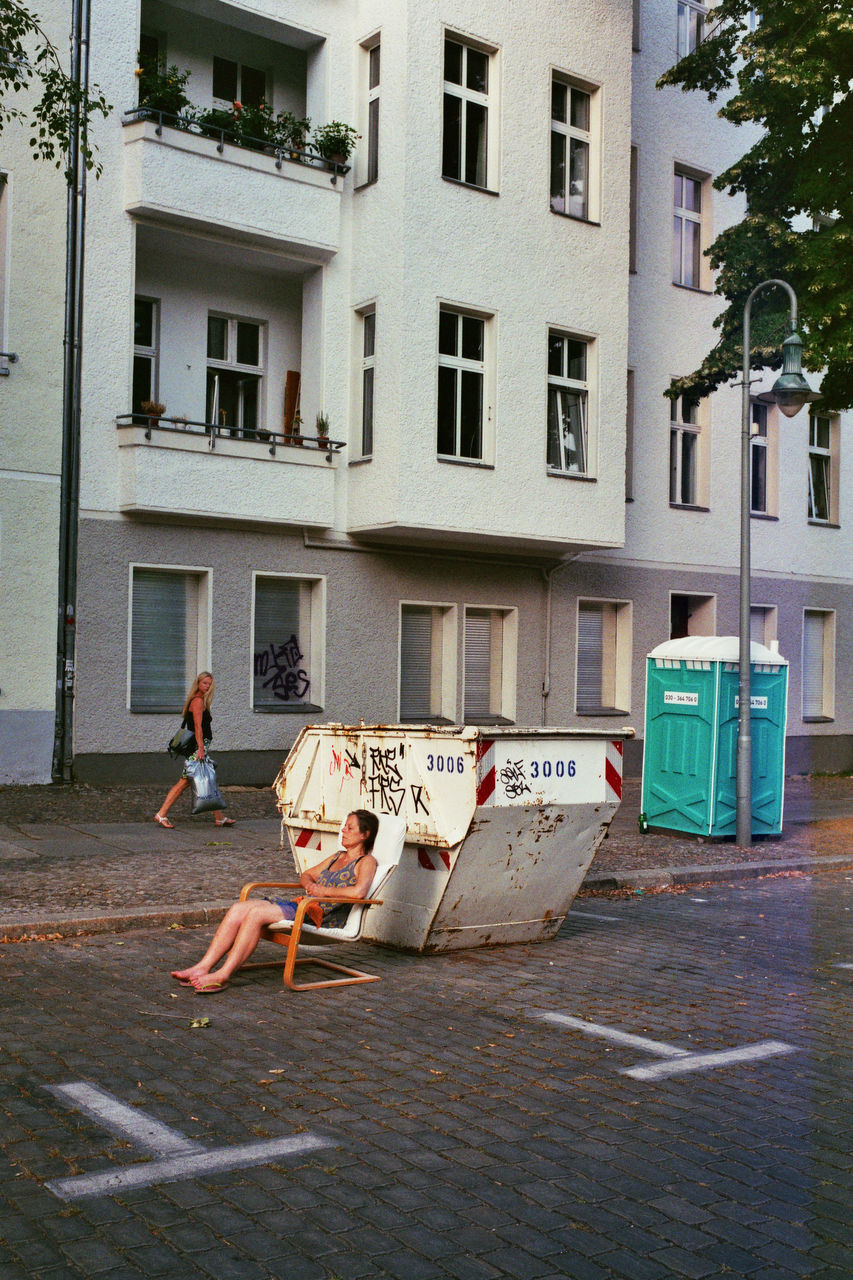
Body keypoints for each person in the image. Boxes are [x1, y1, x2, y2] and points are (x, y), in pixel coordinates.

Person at [170, 809, 379, 993]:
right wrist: (310, 885)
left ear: (365, 835)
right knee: (238, 908)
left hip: (320, 917)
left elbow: (359, 893)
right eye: (344, 827)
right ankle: (203, 966)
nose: (343, 830)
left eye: (350, 828)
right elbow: (306, 874)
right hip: (303, 905)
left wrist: (323, 890)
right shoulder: (337, 856)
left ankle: (223, 974)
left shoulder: (366, 862)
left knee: (256, 914)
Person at [154, 671, 234, 829]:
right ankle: (161, 814)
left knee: (206, 777)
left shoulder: (201, 700)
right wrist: (201, 749)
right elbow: (198, 727)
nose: (207, 686)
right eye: (204, 683)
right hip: (196, 748)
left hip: (199, 748)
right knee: (185, 781)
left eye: (209, 684)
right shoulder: (197, 701)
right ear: (198, 683)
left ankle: (219, 818)